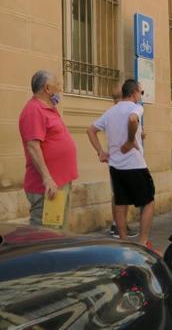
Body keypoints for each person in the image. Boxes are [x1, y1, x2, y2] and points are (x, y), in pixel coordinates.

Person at [87, 79, 154, 247]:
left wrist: (101, 152)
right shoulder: (136, 108)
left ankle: (124, 241)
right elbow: (132, 119)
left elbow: (91, 130)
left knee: (120, 203)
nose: (141, 96)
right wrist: (131, 140)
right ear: (134, 93)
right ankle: (142, 242)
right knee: (148, 202)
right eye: (141, 92)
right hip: (135, 165)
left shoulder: (111, 112)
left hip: (116, 166)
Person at [19, 70, 78, 227]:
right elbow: (33, 146)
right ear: (47, 88)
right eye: (57, 84)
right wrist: (47, 178)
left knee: (57, 231)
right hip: (47, 186)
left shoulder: (49, 108)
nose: (60, 88)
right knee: (44, 236)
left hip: (59, 182)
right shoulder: (33, 110)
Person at [107, 87, 138, 239]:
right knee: (119, 195)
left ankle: (120, 225)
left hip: (121, 160)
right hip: (120, 161)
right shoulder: (117, 113)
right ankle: (117, 225)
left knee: (121, 195)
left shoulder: (116, 112)